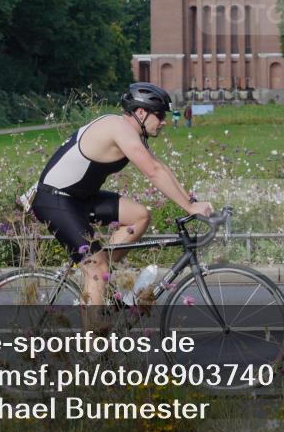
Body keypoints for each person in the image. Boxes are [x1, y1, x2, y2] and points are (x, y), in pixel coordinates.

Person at [29, 82, 213, 323]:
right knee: (97, 268)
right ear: (140, 113)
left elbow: (162, 168)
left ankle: (100, 279)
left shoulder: (130, 131)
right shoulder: (119, 129)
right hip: (54, 199)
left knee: (139, 216)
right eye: (159, 114)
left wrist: (192, 201)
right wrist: (189, 208)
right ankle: (92, 350)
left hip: (79, 198)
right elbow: (153, 171)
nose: (164, 121)